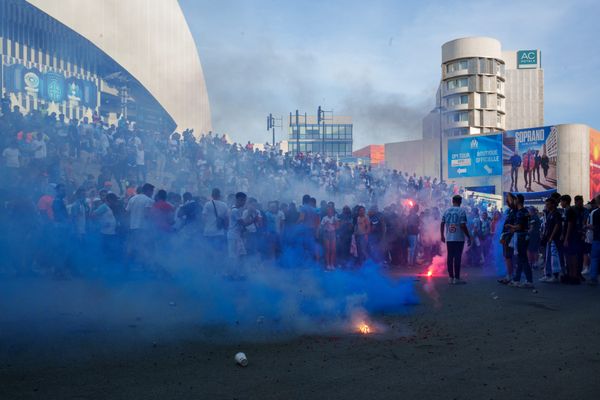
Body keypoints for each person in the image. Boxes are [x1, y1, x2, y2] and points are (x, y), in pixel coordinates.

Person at [440, 195, 471, 284]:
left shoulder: (446, 211)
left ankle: (450, 277)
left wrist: (442, 235)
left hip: (449, 237)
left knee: (450, 257)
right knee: (457, 257)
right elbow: (462, 225)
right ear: (460, 202)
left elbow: (442, 223)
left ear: (452, 201)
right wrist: (468, 236)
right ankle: (456, 278)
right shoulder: (462, 211)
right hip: (459, 238)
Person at [507, 194, 533, 288]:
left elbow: (519, 226)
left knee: (523, 258)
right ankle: (516, 279)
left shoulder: (521, 212)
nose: (513, 201)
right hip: (523, 236)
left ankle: (529, 281)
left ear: (518, 200)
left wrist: (511, 226)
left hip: (521, 236)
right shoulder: (525, 211)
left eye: (515, 200)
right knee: (521, 259)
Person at [540, 197, 562, 283]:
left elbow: (557, 226)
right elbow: (547, 227)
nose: (546, 206)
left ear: (553, 204)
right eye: (546, 204)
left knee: (554, 257)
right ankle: (547, 274)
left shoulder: (556, 214)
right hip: (548, 238)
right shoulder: (549, 213)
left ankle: (555, 276)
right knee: (548, 257)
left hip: (554, 239)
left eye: (548, 204)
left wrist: (551, 237)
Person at [498, 193, 517, 284]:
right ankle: (510, 275)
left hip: (509, 238)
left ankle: (510, 276)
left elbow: (514, 226)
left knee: (508, 256)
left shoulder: (515, 211)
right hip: (506, 237)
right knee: (507, 256)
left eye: (508, 199)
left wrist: (509, 236)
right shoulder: (510, 211)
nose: (506, 201)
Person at [320, 206, 338, 270]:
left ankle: (332, 264)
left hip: (333, 234)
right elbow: (321, 227)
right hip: (326, 234)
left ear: (332, 212)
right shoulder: (324, 218)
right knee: (327, 249)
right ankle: (327, 264)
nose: (329, 212)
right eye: (328, 211)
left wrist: (334, 224)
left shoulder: (335, 218)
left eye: (331, 211)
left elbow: (337, 227)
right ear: (327, 212)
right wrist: (325, 225)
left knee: (333, 250)